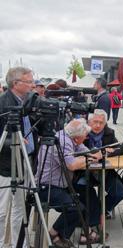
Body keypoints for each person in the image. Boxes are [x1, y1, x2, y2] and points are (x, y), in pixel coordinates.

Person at [36, 119, 103, 247]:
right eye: (84, 137)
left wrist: (90, 155)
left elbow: (84, 150)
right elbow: (71, 165)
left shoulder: (69, 136)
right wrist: (91, 157)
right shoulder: (63, 141)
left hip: (62, 184)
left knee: (88, 192)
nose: (85, 138)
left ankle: (85, 231)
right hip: (48, 187)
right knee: (76, 208)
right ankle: (54, 233)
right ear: (77, 138)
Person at [0, 67, 36, 247]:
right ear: (16, 84)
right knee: (1, 211)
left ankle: (18, 244)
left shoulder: (26, 100)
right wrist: (11, 139)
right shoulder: (3, 103)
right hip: (6, 165)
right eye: (29, 82)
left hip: (25, 160)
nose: (33, 85)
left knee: (19, 208)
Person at [81, 109, 123, 218]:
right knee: (83, 192)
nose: (98, 125)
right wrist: (91, 155)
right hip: (83, 171)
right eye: (95, 122)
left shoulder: (109, 133)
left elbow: (120, 148)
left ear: (105, 123)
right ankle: (87, 215)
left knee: (119, 192)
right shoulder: (82, 132)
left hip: (104, 171)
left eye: (101, 123)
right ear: (89, 122)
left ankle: (101, 211)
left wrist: (105, 153)